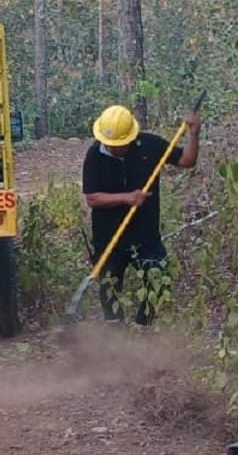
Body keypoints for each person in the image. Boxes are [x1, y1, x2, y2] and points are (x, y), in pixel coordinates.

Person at [81, 103, 200, 324]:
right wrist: (127, 198)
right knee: (109, 288)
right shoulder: (94, 154)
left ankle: (143, 327)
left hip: (146, 235)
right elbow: (92, 197)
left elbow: (187, 161)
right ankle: (115, 334)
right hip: (109, 237)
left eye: (119, 144)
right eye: (109, 144)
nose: (113, 148)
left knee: (158, 280)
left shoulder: (150, 145)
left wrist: (193, 133)